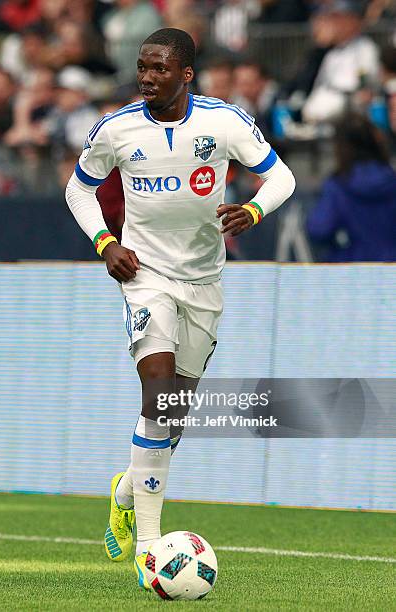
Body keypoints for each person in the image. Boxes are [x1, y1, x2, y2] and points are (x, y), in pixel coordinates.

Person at [65, 28, 295, 590]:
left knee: (172, 418)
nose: (147, 77)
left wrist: (254, 210)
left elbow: (281, 176)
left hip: (204, 281)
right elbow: (78, 189)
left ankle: (125, 491)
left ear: (186, 74)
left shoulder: (223, 122)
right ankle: (149, 549)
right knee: (158, 395)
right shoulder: (117, 128)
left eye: (160, 69)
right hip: (145, 277)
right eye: (143, 67)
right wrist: (106, 242)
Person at [306, 113, 396, 261]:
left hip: (353, 272)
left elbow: (319, 230)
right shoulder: (392, 180)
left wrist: (339, 247)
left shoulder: (338, 185)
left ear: (341, 147)